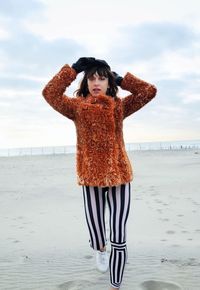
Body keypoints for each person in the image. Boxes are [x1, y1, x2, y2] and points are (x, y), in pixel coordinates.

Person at [42, 57, 157, 289]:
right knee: (96, 231)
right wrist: (73, 70)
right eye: (92, 78)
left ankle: (115, 285)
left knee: (119, 235)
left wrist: (122, 80)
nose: (96, 82)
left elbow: (149, 91)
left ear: (108, 83)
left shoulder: (119, 106)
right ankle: (100, 249)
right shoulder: (76, 108)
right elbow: (50, 93)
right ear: (86, 83)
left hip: (120, 177)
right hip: (90, 178)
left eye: (102, 78)